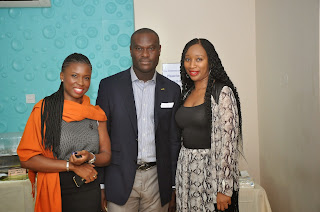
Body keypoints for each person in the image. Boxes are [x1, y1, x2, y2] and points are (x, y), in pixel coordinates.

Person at [96, 28, 181, 212]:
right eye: (138, 48)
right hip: (119, 178)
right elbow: (100, 138)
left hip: (158, 181)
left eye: (150, 48)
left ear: (159, 50)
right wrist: (101, 184)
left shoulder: (173, 90)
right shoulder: (109, 87)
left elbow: (174, 141)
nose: (144, 54)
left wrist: (174, 185)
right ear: (130, 50)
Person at [17, 53, 112, 212]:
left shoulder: (96, 114)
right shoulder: (44, 110)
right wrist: (71, 166)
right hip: (58, 191)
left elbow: (107, 155)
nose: (81, 83)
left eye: (86, 77)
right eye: (74, 75)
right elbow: (27, 159)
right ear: (62, 76)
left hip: (89, 190)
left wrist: (91, 157)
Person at [175, 38, 242, 212]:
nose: (192, 65)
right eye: (187, 59)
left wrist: (224, 189)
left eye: (199, 59)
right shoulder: (187, 92)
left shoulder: (221, 92)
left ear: (210, 61)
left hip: (211, 175)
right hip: (186, 173)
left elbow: (229, 145)